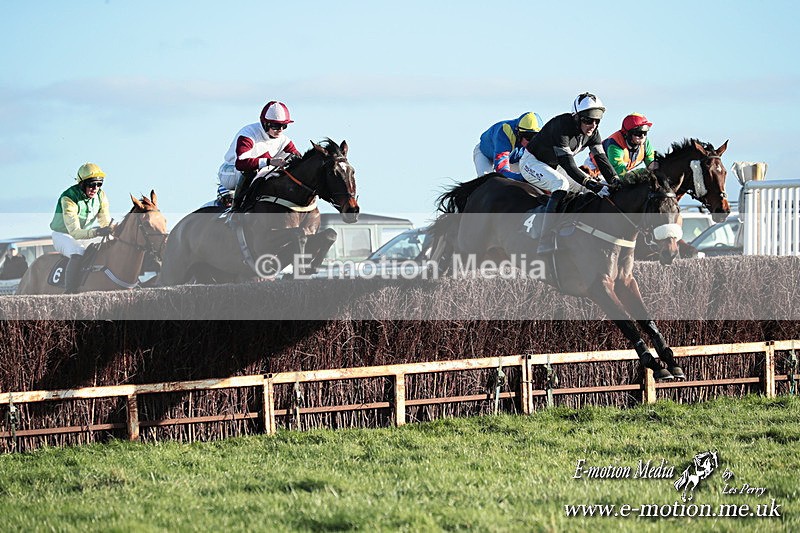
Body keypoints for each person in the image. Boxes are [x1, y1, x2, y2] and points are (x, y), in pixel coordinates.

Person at [519, 92, 621, 254]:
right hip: (532, 163)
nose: (593, 125)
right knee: (561, 184)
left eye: (596, 120)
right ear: (576, 117)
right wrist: (592, 184)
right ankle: (544, 239)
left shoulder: (593, 133)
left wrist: (615, 181)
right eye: (588, 120)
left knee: (589, 190)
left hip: (555, 166)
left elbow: (602, 160)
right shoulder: (561, 127)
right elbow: (569, 165)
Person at [217, 100, 302, 211]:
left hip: (254, 171)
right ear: (265, 124)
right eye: (276, 126)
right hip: (230, 172)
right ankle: (236, 209)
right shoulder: (248, 135)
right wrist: (269, 162)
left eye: (284, 126)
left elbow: (299, 159)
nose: (280, 130)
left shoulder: (284, 140)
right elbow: (241, 164)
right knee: (251, 170)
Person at [49, 162, 114, 293]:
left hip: (85, 234)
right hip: (63, 235)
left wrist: (110, 230)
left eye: (99, 184)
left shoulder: (101, 196)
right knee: (77, 251)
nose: (95, 188)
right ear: (82, 184)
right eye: (91, 184)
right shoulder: (69, 198)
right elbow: (75, 232)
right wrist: (97, 232)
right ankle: (69, 291)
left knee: (111, 244)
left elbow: (104, 221)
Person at [473, 112, 544, 181]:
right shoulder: (504, 133)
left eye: (535, 137)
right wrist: (522, 178)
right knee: (487, 180)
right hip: (485, 155)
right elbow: (501, 170)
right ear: (519, 133)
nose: (530, 142)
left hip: (512, 159)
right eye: (528, 137)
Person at [584, 113, 656, 179]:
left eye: (645, 132)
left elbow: (651, 164)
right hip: (596, 171)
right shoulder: (615, 145)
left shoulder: (645, 143)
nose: (643, 137)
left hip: (619, 172)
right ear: (628, 134)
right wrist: (643, 172)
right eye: (638, 133)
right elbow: (622, 173)